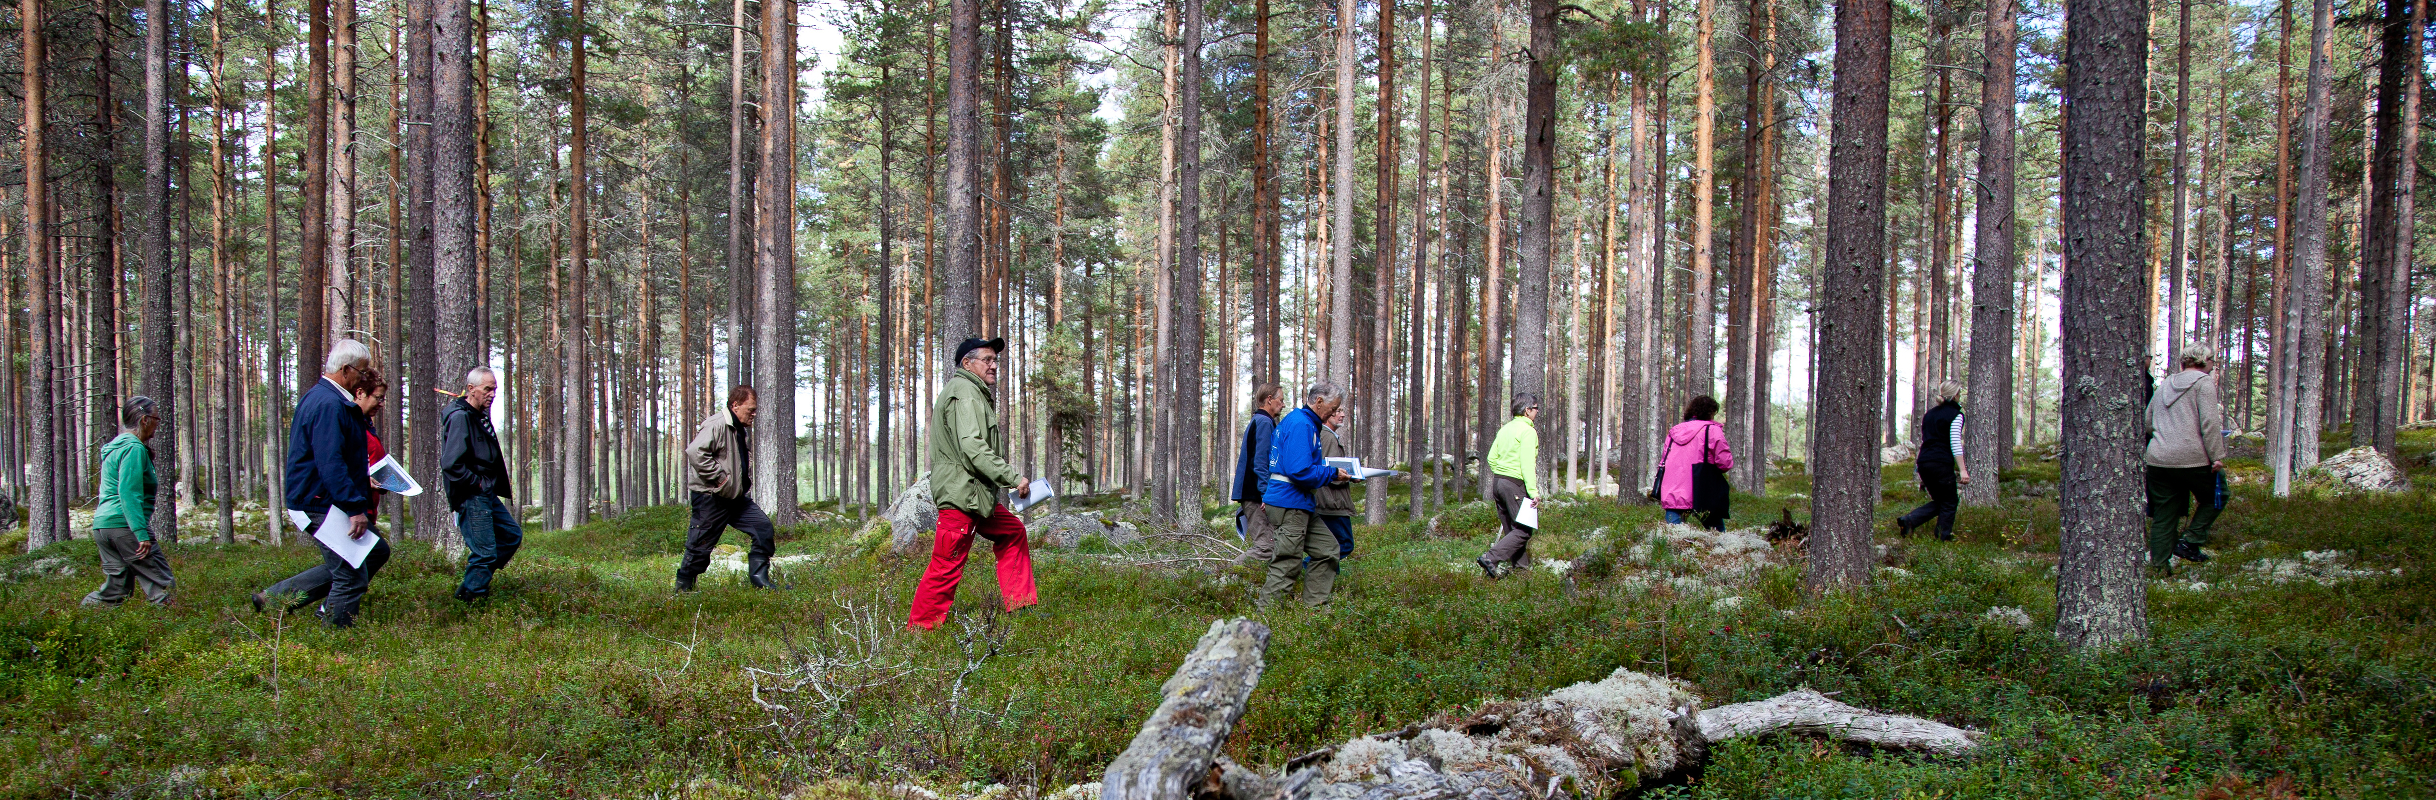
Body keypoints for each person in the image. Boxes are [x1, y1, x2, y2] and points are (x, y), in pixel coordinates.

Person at [908, 337, 1040, 630]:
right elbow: (973, 447)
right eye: (988, 360)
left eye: (996, 360)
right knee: (947, 563)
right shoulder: (965, 393)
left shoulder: (973, 392)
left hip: (975, 495)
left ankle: (1020, 605)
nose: (994, 366)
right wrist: (1012, 478)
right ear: (967, 364)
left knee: (1013, 531)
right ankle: (921, 630)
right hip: (961, 495)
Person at [255, 340, 384, 627]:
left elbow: (340, 458)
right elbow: (330, 462)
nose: (365, 378)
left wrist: (364, 481)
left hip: (326, 498)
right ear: (346, 370)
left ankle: (276, 598)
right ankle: (333, 646)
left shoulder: (333, 400)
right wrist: (354, 507)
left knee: (375, 551)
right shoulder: (328, 404)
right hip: (320, 502)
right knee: (351, 573)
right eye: (362, 372)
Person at [1260, 383, 1354, 607]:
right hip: (1290, 503)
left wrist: (1331, 473)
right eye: (1334, 406)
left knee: (1328, 550)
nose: (1335, 411)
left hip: (1299, 502)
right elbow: (1299, 470)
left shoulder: (1302, 422)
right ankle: (1265, 622)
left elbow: (1298, 464)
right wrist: (1331, 473)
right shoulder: (1301, 424)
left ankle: (1314, 612)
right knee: (1287, 563)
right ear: (1319, 401)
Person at [677, 385, 779, 591]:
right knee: (700, 545)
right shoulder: (717, 424)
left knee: (763, 528)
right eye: (750, 409)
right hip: (711, 497)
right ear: (735, 405)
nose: (754, 413)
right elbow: (696, 452)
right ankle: (683, 588)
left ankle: (760, 581)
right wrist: (720, 479)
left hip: (736, 498)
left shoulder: (738, 428)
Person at [82, 396, 175, 607]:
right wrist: (141, 533)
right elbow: (128, 493)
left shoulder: (114, 446)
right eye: (156, 418)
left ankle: (83, 619)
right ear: (144, 420)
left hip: (103, 527)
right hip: (126, 526)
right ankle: (173, 633)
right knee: (162, 584)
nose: (157, 424)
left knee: (117, 590)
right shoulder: (133, 448)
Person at [2145, 344, 2227, 571]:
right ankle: (2190, 541)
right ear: (2204, 361)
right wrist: (2217, 456)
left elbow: (2148, 421)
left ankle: (2160, 569)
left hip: (2158, 460)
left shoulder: (2165, 384)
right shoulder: (2203, 384)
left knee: (2164, 515)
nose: (2213, 365)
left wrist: (2164, 440)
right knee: (2217, 496)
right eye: (2212, 361)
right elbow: (2209, 424)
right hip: (2193, 459)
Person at [444, 367, 520, 601]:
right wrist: (476, 484)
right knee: (485, 553)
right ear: (471, 389)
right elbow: (451, 463)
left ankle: (472, 585)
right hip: (472, 494)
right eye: (487, 389)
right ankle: (471, 599)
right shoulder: (460, 417)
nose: (492, 394)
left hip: (485, 492)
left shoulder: (478, 415)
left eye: (494, 389)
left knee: (511, 535)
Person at [1477, 394, 1542, 578]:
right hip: (1515, 484)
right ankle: (1490, 557)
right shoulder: (1528, 431)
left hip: (1498, 483)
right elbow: (1527, 463)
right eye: (1536, 408)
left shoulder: (1505, 429)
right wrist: (1533, 492)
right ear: (1527, 410)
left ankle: (1521, 574)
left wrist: (1503, 473)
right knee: (1523, 531)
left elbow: (1491, 458)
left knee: (1512, 531)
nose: (1537, 412)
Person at [1897, 381, 1969, 541]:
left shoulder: (1929, 414)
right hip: (1940, 463)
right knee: (1950, 501)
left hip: (1923, 462)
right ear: (1955, 395)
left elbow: (1927, 439)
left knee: (1942, 501)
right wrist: (1963, 469)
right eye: (1959, 392)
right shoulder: (1956, 415)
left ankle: (1909, 521)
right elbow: (1955, 442)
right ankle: (1943, 537)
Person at [1657, 395, 1734, 532]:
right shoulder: (1712, 430)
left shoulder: (1675, 431)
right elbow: (1725, 463)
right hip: (1702, 488)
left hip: (1673, 486)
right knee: (1717, 535)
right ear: (1710, 412)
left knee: (1671, 536)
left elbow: (1664, 459)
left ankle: (1672, 552)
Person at [1230, 385, 1285, 564]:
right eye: (1281, 400)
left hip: (1254, 493)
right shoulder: (1263, 422)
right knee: (1266, 547)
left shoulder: (1260, 421)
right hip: (1255, 495)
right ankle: (1222, 575)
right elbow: (1261, 463)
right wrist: (1266, 494)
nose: (1283, 405)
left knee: (1272, 544)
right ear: (1269, 399)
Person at [1315, 407, 1357, 558]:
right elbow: (1327, 470)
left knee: (1331, 546)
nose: (1343, 415)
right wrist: (1350, 476)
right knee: (1343, 544)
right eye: (1338, 411)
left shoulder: (1326, 435)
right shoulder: (1327, 437)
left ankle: (1327, 579)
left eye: (1343, 411)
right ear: (1327, 413)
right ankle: (1305, 568)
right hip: (1331, 502)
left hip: (1328, 501)